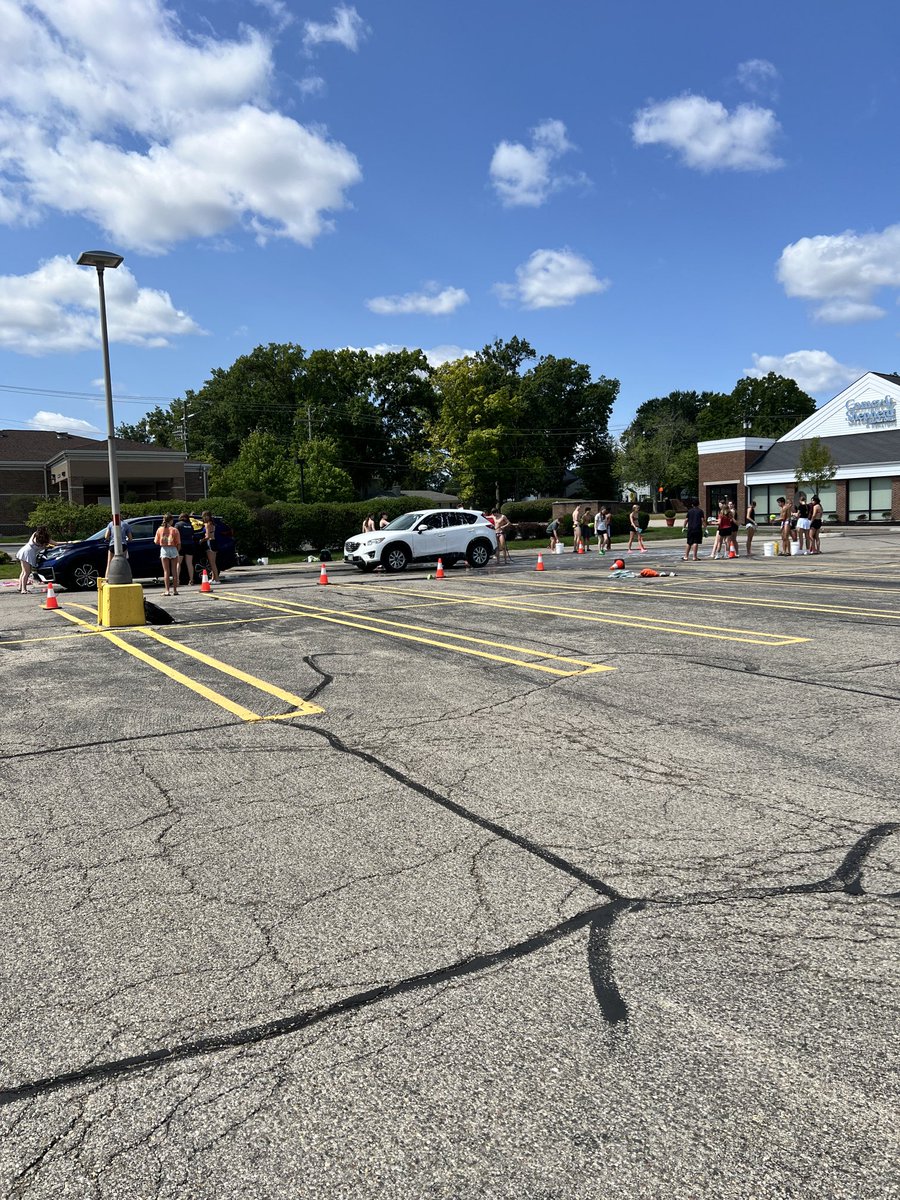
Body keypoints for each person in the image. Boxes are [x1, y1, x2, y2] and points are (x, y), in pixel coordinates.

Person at [16, 526, 53, 593]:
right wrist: (69, 542)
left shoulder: (35, 535)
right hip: (28, 553)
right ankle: (23, 589)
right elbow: (56, 543)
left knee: (24, 571)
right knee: (27, 572)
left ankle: (20, 587)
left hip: (24, 550)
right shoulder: (45, 539)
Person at [154, 513, 181, 596]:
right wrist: (177, 551)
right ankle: (175, 590)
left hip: (164, 549)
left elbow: (156, 542)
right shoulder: (174, 530)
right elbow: (178, 543)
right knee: (174, 571)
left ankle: (167, 590)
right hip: (173, 549)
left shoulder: (159, 529)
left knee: (166, 571)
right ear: (171, 520)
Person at [199, 510, 221, 582]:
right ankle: (213, 578)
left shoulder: (208, 524)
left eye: (204, 516)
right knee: (212, 562)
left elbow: (208, 536)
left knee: (212, 563)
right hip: (214, 542)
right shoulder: (212, 523)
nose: (204, 518)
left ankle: (217, 579)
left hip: (210, 542)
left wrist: (201, 540)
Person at [175, 512, 196, 586]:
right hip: (190, 544)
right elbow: (193, 534)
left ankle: (177, 581)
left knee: (178, 563)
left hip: (181, 545)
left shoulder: (178, 524)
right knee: (189, 563)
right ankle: (191, 580)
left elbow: (175, 534)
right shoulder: (190, 525)